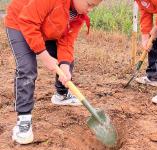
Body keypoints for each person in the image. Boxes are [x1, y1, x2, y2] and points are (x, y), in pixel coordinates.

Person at [5, 0, 102, 144]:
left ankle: (61, 95)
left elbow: (67, 41)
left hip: (46, 28)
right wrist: (44, 55)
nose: (90, 9)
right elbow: (28, 21)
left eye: (94, 6)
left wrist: (64, 66)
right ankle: (23, 120)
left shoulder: (78, 14)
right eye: (89, 4)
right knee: (27, 69)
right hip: (20, 22)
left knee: (67, 61)